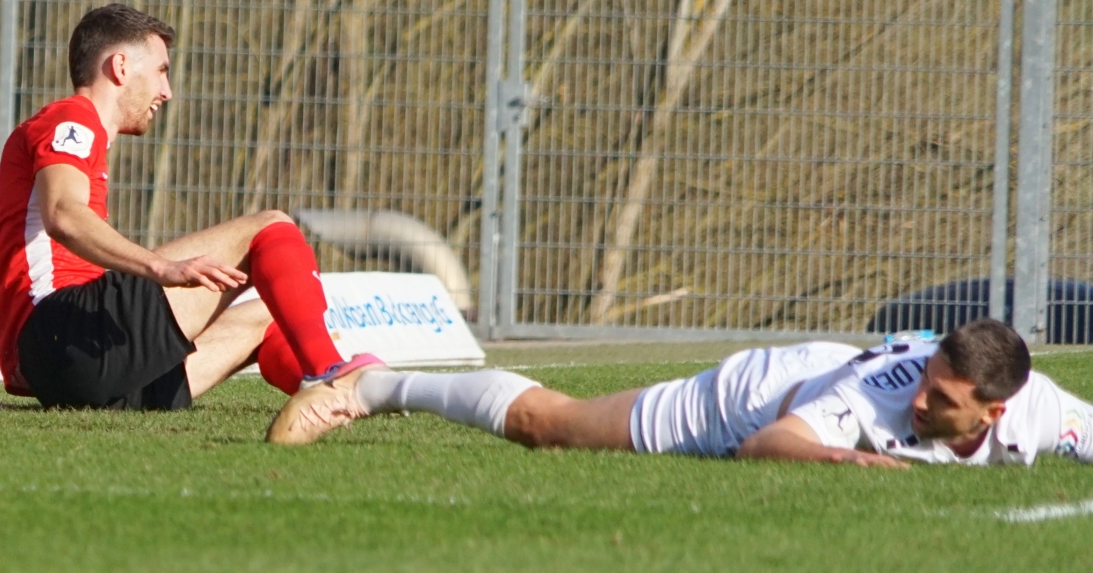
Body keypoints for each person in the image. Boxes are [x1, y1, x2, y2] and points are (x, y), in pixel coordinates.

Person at [0, 2, 382, 415]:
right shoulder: (72, 119)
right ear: (120, 67)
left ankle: (346, 398)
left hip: (72, 373)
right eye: (162, 71)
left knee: (267, 317)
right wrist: (160, 267)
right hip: (65, 333)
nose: (166, 91)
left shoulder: (44, 175)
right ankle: (330, 376)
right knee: (270, 226)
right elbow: (64, 215)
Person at [268, 316, 1093, 465]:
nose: (920, 403)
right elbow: (769, 444)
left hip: (807, 382)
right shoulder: (875, 396)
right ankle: (374, 385)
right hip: (755, 399)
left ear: (995, 411)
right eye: (925, 384)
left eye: (942, 401)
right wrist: (851, 462)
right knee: (547, 425)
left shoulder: (1045, 414)